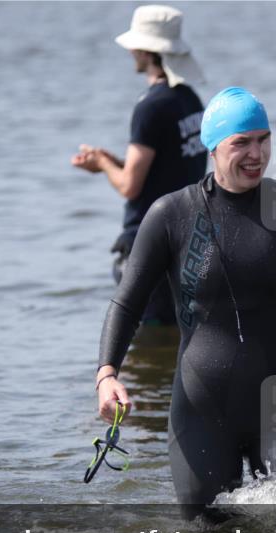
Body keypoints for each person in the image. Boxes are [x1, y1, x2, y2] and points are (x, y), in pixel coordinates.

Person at [95, 87, 276, 519]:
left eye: (264, 139)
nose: (256, 154)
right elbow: (126, 303)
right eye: (241, 142)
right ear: (212, 147)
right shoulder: (171, 215)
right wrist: (107, 374)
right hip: (202, 405)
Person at [72, 4, 208, 325]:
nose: (130, 51)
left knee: (146, 342)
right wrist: (110, 161)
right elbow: (170, 166)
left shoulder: (151, 107)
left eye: (135, 45)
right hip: (187, 240)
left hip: (149, 243)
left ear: (147, 51)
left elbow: (130, 185)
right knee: (180, 338)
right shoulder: (189, 99)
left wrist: (104, 165)